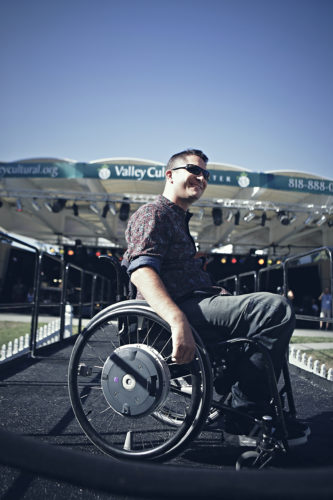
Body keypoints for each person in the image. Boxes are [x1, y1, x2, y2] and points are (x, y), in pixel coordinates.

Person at [123, 148, 308, 445]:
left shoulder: (177, 219)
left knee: (265, 315)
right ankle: (244, 413)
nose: (202, 177)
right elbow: (141, 272)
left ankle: (250, 403)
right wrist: (177, 320)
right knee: (274, 310)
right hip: (177, 314)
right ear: (169, 175)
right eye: (194, 170)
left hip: (197, 305)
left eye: (205, 174)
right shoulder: (152, 213)